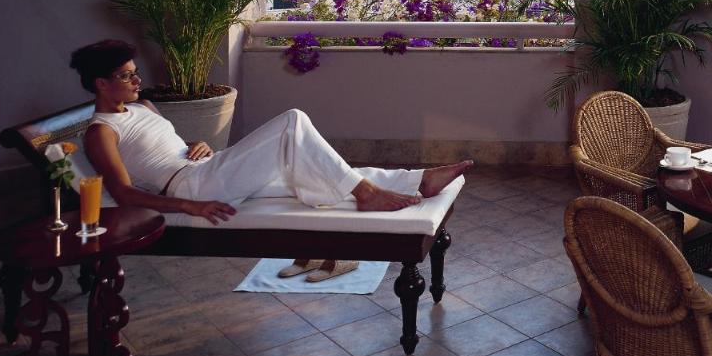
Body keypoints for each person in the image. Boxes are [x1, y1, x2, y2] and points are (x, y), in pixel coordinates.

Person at [70, 40, 473, 228]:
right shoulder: (100, 132)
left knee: (307, 171)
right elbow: (123, 194)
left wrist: (196, 144)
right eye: (126, 76)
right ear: (101, 84)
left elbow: (165, 148)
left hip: (203, 168)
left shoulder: (142, 106)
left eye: (134, 72)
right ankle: (366, 195)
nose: (137, 79)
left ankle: (416, 180)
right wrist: (191, 207)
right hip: (190, 187)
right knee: (292, 121)